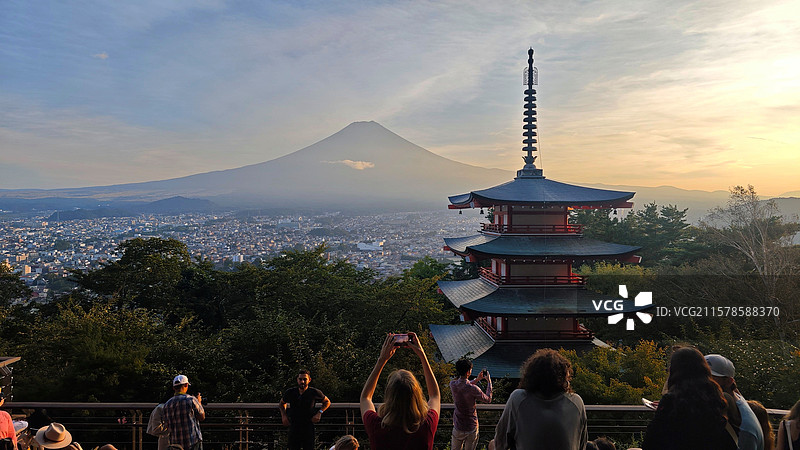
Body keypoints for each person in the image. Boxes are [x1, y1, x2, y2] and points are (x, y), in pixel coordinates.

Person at [490, 348, 587, 450]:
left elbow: (500, 442)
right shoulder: (576, 403)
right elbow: (582, 444)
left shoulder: (518, 399)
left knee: (491, 444)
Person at [641, 346, 736, 450]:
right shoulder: (717, 398)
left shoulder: (672, 401)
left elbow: (650, 442)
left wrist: (663, 411)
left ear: (673, 371)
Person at [360, 332, 440, 450]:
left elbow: (365, 397)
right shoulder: (427, 424)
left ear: (390, 396)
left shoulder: (376, 426)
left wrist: (381, 360)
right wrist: (422, 354)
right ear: (417, 395)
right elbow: (435, 395)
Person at [705, 354, 764, 450]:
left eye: (711, 378)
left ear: (729, 381)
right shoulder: (735, 400)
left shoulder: (745, 427)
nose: (703, 381)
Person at [279, 369, 331, 450]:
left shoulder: (314, 392)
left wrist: (319, 413)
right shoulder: (290, 392)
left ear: (309, 380)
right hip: (294, 425)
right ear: (297, 380)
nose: (302, 382)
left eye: (305, 379)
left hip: (308, 425)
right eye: (300, 379)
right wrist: (284, 416)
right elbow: (282, 403)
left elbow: (327, 402)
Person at [450, 359, 492, 450]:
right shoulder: (474, 389)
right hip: (471, 427)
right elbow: (488, 399)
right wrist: (489, 382)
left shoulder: (452, 384)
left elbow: (463, 386)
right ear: (468, 371)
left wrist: (477, 379)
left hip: (458, 425)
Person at [163, 375, 205, 450]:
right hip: (192, 442)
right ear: (186, 385)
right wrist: (199, 403)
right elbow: (202, 417)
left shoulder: (167, 404)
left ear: (173, 388)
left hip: (176, 444)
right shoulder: (191, 400)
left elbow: (166, 424)